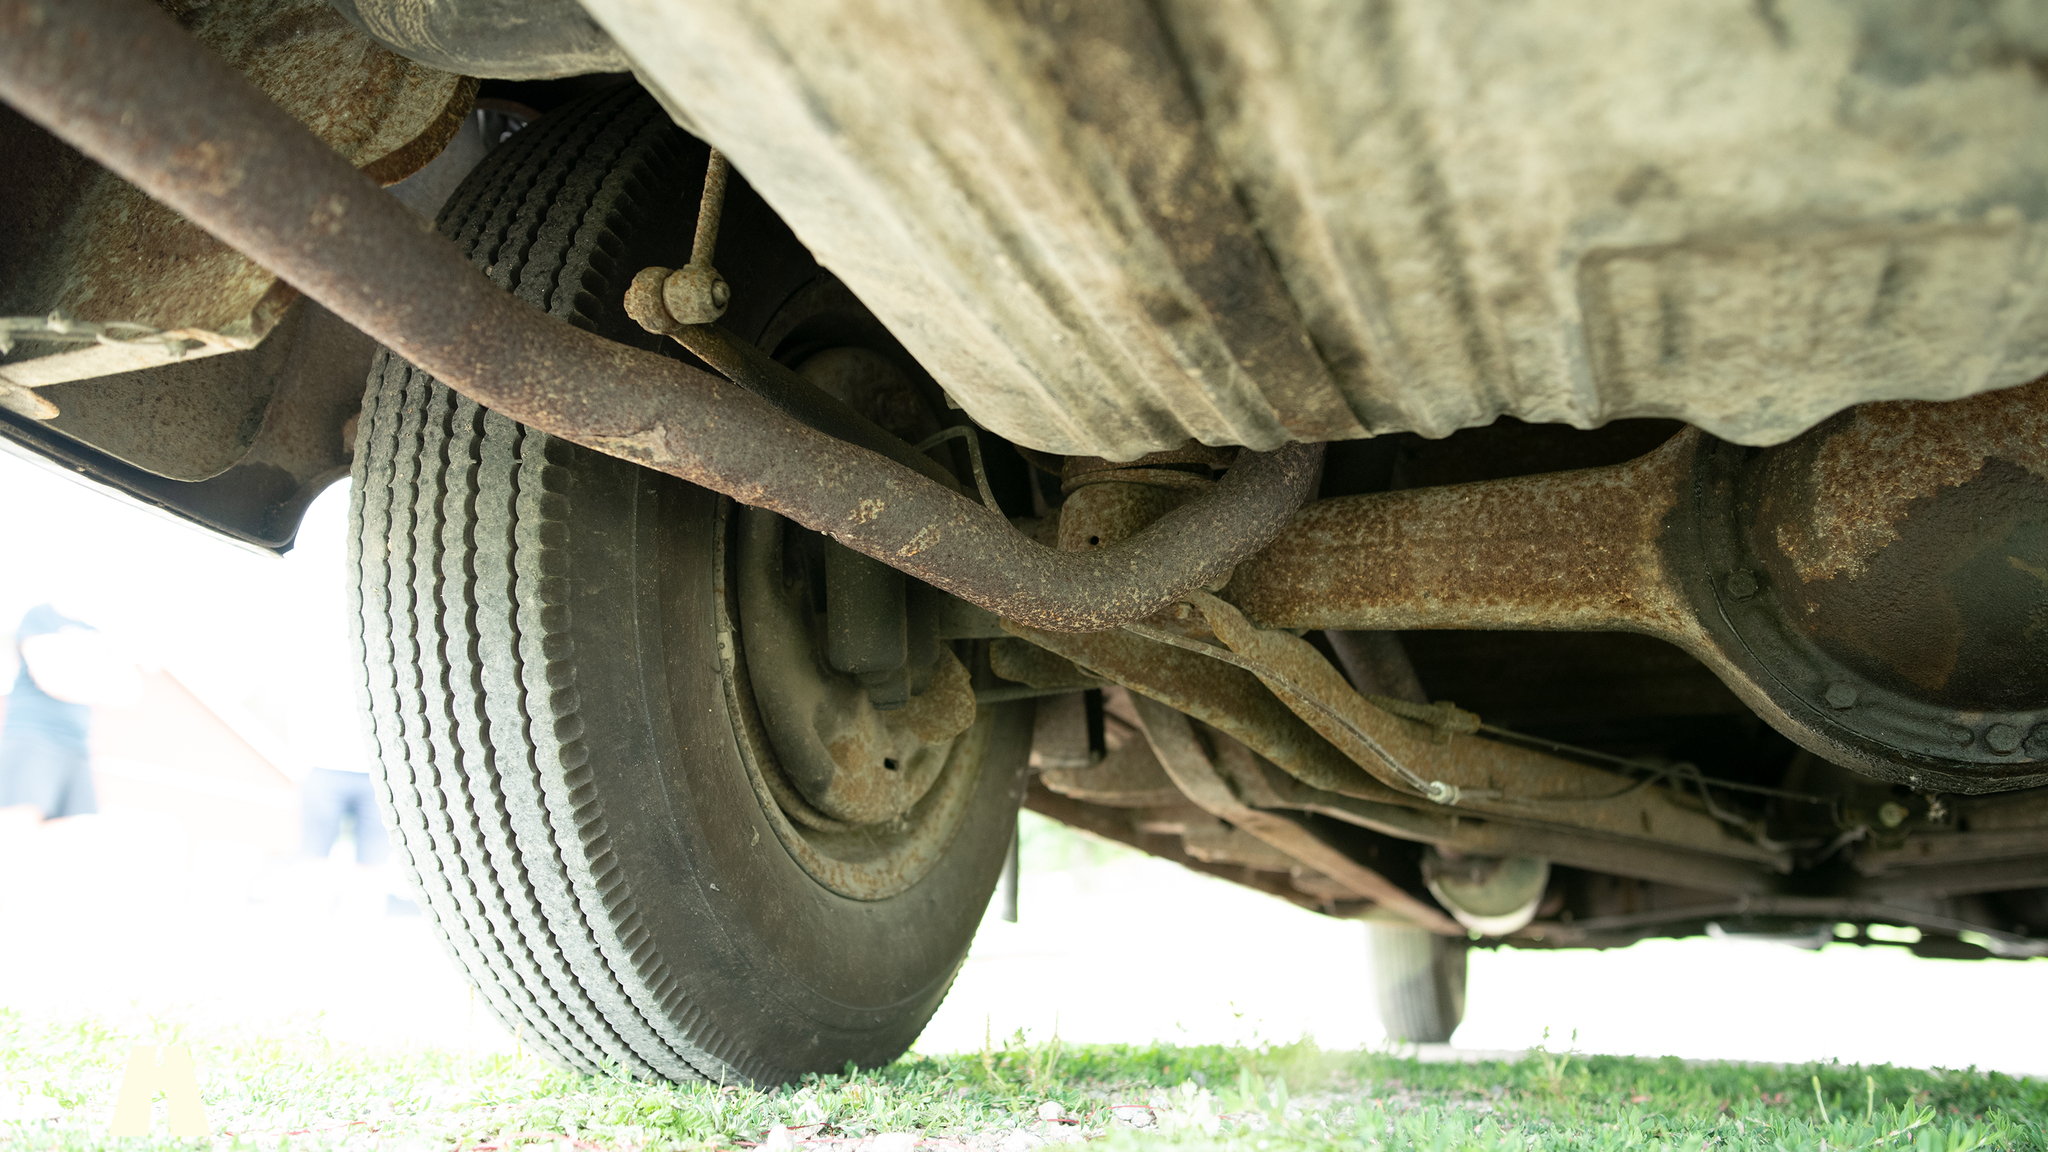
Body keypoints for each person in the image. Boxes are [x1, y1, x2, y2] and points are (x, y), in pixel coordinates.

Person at [0, 602, 138, 821]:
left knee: (78, 830)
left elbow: (128, 692)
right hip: (32, 738)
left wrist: (76, 675)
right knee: (19, 824)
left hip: (77, 747)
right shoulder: (41, 616)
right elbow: (50, 677)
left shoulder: (94, 632)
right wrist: (98, 682)